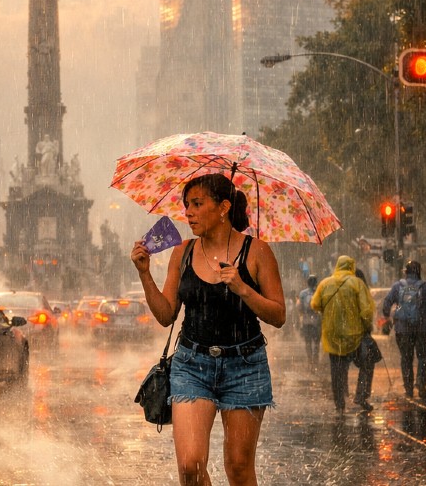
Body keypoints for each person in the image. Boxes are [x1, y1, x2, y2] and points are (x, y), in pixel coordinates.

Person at [130, 172, 285, 486]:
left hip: (246, 366)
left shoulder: (257, 252)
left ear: (224, 207)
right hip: (192, 365)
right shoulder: (183, 251)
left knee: (239, 468)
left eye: (198, 204)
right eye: (187, 205)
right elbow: (165, 315)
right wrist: (145, 274)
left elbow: (278, 314)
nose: (188, 212)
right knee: (190, 466)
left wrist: (243, 288)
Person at [310, 255, 376, 413]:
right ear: (351, 267)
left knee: (337, 371)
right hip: (355, 336)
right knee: (367, 363)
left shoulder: (325, 284)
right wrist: (367, 327)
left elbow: (314, 304)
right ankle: (361, 395)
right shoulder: (357, 284)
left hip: (332, 336)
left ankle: (339, 404)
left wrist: (328, 312)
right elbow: (366, 310)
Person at [381, 260, 426, 400]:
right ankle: (421, 382)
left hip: (403, 329)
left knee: (406, 358)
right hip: (423, 329)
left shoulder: (398, 286)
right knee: (423, 357)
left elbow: (387, 302)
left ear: (406, 272)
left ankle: (408, 388)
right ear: (419, 272)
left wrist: (387, 316)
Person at [297, 275, 322, 365]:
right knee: (316, 342)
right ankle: (315, 359)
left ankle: (309, 359)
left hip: (306, 321)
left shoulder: (303, 294)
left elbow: (299, 307)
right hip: (317, 322)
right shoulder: (319, 292)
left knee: (308, 342)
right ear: (316, 283)